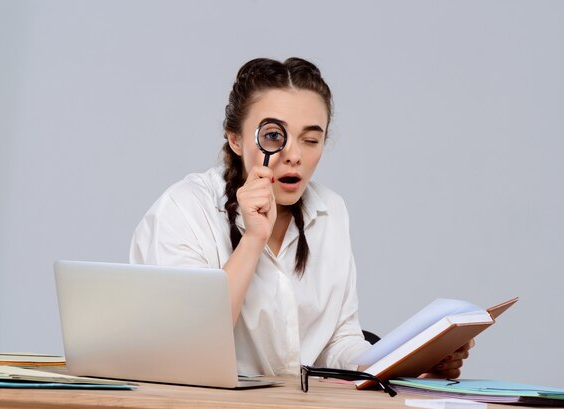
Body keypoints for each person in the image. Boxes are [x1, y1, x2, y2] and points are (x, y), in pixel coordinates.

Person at [130, 57, 473, 378]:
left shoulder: (330, 211)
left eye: (311, 139)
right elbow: (188, 347)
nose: (294, 156)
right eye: (274, 137)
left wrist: (411, 364)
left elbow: (337, 343)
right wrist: (252, 241)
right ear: (235, 139)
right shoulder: (184, 209)